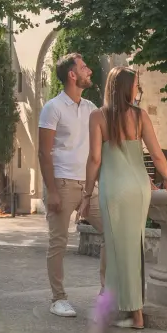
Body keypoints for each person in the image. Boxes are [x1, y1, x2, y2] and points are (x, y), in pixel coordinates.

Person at [79, 66, 167, 329]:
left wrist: (86, 193)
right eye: (136, 84)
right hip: (139, 189)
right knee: (134, 248)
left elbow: (94, 159)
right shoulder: (140, 117)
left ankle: (130, 313)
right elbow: (157, 155)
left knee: (117, 250)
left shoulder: (98, 117)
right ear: (127, 88)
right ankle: (129, 311)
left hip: (114, 189)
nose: (138, 89)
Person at [38, 53, 105, 317]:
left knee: (113, 233)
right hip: (62, 183)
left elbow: (98, 149)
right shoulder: (52, 108)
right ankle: (58, 299)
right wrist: (52, 190)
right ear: (72, 75)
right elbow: (44, 153)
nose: (89, 70)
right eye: (84, 66)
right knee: (59, 242)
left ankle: (105, 294)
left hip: (89, 186)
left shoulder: (90, 108)